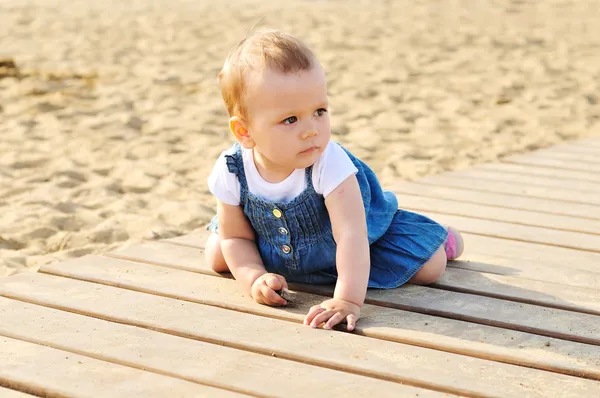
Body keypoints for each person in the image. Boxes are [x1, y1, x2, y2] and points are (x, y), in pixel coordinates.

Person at [205, 29, 464, 331]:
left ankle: (440, 238)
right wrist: (254, 278)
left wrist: (347, 299)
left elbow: (351, 235)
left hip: (353, 238)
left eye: (319, 111)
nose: (311, 130)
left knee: (431, 267)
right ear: (244, 132)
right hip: (279, 243)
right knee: (218, 253)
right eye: (291, 119)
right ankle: (280, 267)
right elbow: (237, 237)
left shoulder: (330, 163)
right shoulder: (233, 169)